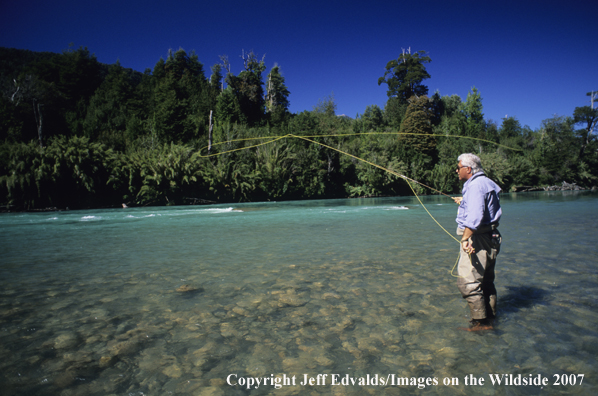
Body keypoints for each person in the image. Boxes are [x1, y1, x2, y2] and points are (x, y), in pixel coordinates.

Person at [452, 153, 502, 331]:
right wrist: (465, 202)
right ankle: (490, 319)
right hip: (491, 237)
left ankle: (481, 323)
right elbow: (484, 207)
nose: (456, 170)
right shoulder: (486, 183)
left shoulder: (475, 187)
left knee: (468, 283)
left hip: (478, 238)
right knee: (486, 281)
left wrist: (466, 239)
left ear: (468, 169)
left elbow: (475, 218)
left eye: (458, 167)